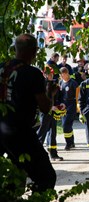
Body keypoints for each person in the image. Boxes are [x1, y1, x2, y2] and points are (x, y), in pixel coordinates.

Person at [0, 34, 57, 193]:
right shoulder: (32, 73)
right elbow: (45, 108)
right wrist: (51, 93)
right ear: (33, 52)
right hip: (20, 132)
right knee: (46, 177)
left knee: (16, 174)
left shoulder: (1, 68)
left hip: (1, 130)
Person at [36, 65, 64, 161]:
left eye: (51, 73)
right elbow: (39, 100)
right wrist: (50, 107)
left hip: (53, 112)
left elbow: (59, 97)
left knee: (53, 133)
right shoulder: (40, 85)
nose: (50, 75)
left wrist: (61, 104)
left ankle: (53, 154)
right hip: (44, 112)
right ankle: (37, 156)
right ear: (44, 74)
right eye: (48, 73)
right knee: (41, 134)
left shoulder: (55, 84)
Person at [59, 67, 79, 150]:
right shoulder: (60, 82)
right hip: (63, 105)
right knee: (68, 125)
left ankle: (68, 143)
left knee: (65, 125)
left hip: (71, 105)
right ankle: (72, 142)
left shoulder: (73, 83)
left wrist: (78, 106)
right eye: (61, 75)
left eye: (64, 74)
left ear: (67, 74)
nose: (62, 76)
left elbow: (78, 95)